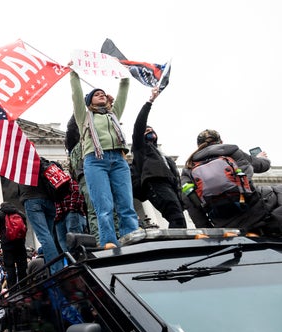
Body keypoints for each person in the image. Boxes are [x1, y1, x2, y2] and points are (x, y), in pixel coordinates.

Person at [69, 68, 140, 248]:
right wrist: (74, 73)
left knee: (126, 204)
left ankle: (131, 237)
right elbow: (76, 95)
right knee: (104, 206)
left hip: (118, 159)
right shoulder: (83, 117)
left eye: (102, 93)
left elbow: (124, 89)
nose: (100, 95)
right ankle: (109, 241)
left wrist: (124, 73)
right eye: (96, 94)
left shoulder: (113, 114)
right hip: (95, 161)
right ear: (89, 102)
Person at [181, 129, 282, 233]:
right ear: (220, 142)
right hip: (253, 211)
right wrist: (261, 158)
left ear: (198, 146)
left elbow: (190, 203)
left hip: (223, 221)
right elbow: (263, 166)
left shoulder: (189, 167)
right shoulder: (231, 152)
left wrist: (208, 229)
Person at [131, 87, 186, 228]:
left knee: (179, 219)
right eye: (146, 131)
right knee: (176, 217)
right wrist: (149, 102)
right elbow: (139, 125)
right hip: (155, 184)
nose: (150, 132)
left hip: (170, 185)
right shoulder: (140, 148)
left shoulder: (162, 155)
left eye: (152, 130)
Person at [18, 180, 62, 274]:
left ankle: (56, 270)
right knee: (51, 236)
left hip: (31, 198)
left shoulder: (23, 165)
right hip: (49, 198)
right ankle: (52, 268)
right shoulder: (45, 163)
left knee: (44, 236)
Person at [0, 202, 29, 287]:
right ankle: (24, 288)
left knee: (10, 268)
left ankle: (13, 291)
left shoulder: (0, 213)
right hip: (20, 244)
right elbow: (25, 228)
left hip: (7, 244)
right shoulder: (19, 213)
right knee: (22, 267)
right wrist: (22, 239)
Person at [54, 177, 87, 253]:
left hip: (70, 212)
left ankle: (78, 258)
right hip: (59, 216)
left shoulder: (68, 179)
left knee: (74, 238)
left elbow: (76, 192)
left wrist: (73, 208)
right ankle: (71, 260)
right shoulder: (50, 185)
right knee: (63, 242)